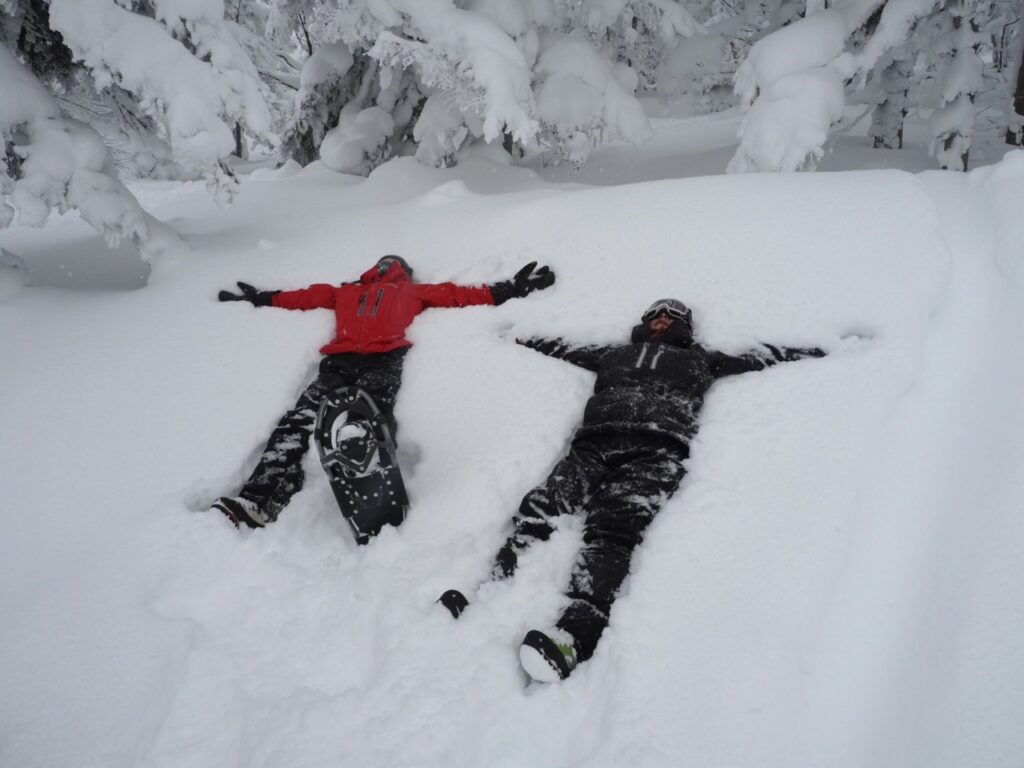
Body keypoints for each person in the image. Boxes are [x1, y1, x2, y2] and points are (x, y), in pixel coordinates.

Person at [438, 298, 825, 682]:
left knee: (614, 527)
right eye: (656, 314)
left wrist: (819, 351)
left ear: (684, 326)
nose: (662, 319)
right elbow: (566, 348)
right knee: (543, 506)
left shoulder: (699, 359)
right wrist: (524, 338)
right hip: (595, 443)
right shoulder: (615, 354)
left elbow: (759, 357)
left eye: (671, 316)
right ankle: (490, 584)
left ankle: (576, 634)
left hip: (657, 449)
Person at [210, 255, 555, 529]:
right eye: (383, 262)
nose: (386, 266)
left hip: (383, 361)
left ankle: (376, 496)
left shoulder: (410, 292)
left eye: (392, 263)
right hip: (339, 363)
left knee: (372, 423)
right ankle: (259, 499)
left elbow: (456, 294)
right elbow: (306, 296)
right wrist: (261, 298)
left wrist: (509, 289)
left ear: (403, 271)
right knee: (298, 421)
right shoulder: (346, 291)